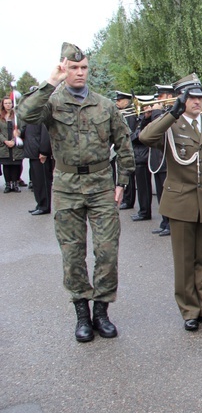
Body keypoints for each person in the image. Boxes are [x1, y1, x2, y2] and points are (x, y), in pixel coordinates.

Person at [16, 42, 135, 342]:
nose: (80, 73)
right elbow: (25, 115)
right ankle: (82, 315)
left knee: (107, 251)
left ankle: (101, 313)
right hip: (67, 187)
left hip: (100, 186)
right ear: (64, 68)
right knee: (73, 254)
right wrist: (51, 81)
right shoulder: (52, 103)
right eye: (73, 68)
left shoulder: (104, 105)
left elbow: (124, 145)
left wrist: (121, 183)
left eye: (83, 68)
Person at [139, 74, 202, 331]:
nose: (198, 101)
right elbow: (145, 138)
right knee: (184, 259)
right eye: (192, 97)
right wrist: (171, 113)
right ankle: (189, 309)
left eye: (200, 97)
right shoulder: (170, 126)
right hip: (181, 203)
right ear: (181, 99)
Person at [147, 84, 175, 237]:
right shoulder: (159, 112)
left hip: (167, 160)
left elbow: (161, 128)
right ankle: (165, 222)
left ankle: (171, 223)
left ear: (169, 97)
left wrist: (156, 112)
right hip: (157, 160)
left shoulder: (172, 112)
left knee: (167, 194)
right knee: (160, 194)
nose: (157, 100)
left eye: (160, 96)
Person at [21, 89, 53, 215]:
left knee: (43, 181)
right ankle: (39, 203)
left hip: (40, 153)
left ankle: (44, 206)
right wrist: (19, 132)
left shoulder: (42, 111)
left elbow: (46, 133)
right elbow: (28, 131)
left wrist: (44, 151)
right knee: (36, 181)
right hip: (32, 152)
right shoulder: (32, 113)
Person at [130, 94, 155, 222]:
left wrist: (148, 118)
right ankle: (143, 211)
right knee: (141, 187)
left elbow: (139, 137)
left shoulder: (153, 118)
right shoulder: (142, 118)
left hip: (145, 156)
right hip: (140, 155)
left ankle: (145, 212)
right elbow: (134, 136)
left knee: (144, 187)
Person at [115, 91, 137, 210]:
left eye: (119, 100)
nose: (117, 102)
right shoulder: (123, 113)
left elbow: (130, 132)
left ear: (126, 101)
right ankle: (127, 199)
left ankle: (129, 201)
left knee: (129, 177)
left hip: (131, 149)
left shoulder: (130, 114)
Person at [0, 96, 25, 193]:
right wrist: (5, 141)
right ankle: (7, 184)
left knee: (15, 165)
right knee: (6, 165)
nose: (8, 105)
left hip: (15, 145)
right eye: (6, 103)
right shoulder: (0, 116)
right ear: (3, 104)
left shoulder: (17, 116)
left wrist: (15, 140)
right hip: (4, 145)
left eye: (9, 103)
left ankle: (15, 184)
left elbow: (22, 128)